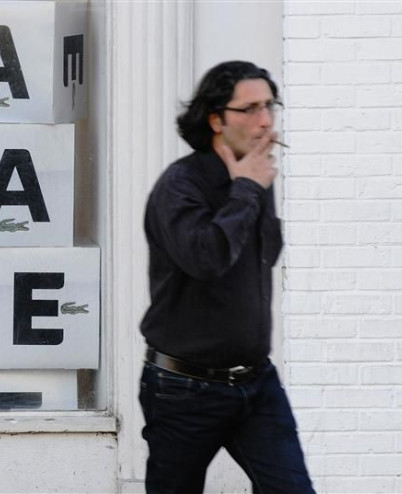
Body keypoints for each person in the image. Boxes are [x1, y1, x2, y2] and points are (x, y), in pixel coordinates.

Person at [138, 60, 315, 494]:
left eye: (270, 106)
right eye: (250, 108)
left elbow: (263, 257)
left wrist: (251, 188)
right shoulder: (180, 186)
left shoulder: (255, 177)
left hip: (256, 384)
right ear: (216, 119)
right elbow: (207, 259)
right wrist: (247, 190)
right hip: (184, 389)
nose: (265, 121)